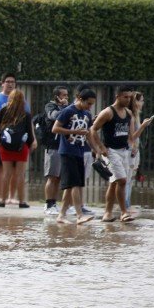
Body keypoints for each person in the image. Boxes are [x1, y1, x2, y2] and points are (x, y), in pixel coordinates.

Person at [52, 87, 98, 224]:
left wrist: (95, 149)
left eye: (92, 104)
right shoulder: (68, 111)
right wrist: (73, 131)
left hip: (80, 152)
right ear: (80, 99)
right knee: (75, 184)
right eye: (88, 103)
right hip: (67, 151)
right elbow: (55, 128)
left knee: (71, 185)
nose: (90, 107)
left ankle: (61, 215)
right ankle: (79, 215)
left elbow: (88, 133)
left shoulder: (87, 114)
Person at [91, 85, 135, 222]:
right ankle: (124, 212)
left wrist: (131, 144)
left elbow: (130, 134)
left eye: (129, 97)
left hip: (124, 151)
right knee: (122, 180)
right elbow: (93, 129)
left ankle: (108, 213)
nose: (128, 100)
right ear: (117, 96)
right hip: (111, 151)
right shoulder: (108, 112)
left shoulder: (128, 113)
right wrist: (101, 147)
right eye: (125, 97)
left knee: (114, 182)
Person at [0, 88, 37, 208]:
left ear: (10, 98)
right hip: (21, 147)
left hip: (5, 146)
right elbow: (29, 132)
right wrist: (30, 143)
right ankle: (22, 201)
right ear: (22, 100)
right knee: (20, 175)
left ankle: (2, 200)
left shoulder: (4, 110)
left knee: (6, 174)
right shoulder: (25, 114)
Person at [0, 73, 26, 205]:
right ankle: (0, 195)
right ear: (2, 83)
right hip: (1, 139)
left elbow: (27, 120)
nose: (10, 84)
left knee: (15, 170)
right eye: (7, 81)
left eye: (12, 82)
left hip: (17, 141)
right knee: (0, 167)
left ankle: (11, 196)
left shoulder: (22, 102)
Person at [41, 86, 68, 215]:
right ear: (57, 96)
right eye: (63, 95)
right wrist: (63, 108)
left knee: (58, 177)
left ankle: (54, 203)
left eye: (67, 95)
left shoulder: (65, 108)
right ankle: (48, 203)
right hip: (52, 146)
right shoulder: (50, 107)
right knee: (52, 176)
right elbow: (54, 116)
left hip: (62, 146)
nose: (66, 98)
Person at [125, 91, 154, 209]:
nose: (142, 103)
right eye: (141, 100)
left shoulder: (136, 115)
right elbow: (132, 136)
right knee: (126, 178)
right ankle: (125, 204)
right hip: (129, 150)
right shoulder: (130, 115)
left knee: (131, 178)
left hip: (135, 150)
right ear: (135, 101)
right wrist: (143, 126)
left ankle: (127, 203)